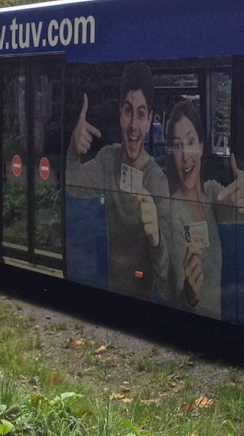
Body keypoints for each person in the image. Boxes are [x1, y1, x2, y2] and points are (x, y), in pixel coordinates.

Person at [65, 62, 171, 300]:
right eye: (128, 111)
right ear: (120, 115)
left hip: (142, 305)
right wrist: (74, 148)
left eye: (141, 114)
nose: (134, 125)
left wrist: (157, 240)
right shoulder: (107, 159)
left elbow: (168, 278)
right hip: (110, 295)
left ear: (149, 120)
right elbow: (72, 184)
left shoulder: (157, 182)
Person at [165, 99, 244, 317]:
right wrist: (190, 293)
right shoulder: (173, 210)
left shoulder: (211, 192)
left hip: (214, 318)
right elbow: (178, 292)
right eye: (177, 145)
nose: (185, 155)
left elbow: (239, 213)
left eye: (190, 141)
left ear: (201, 146)